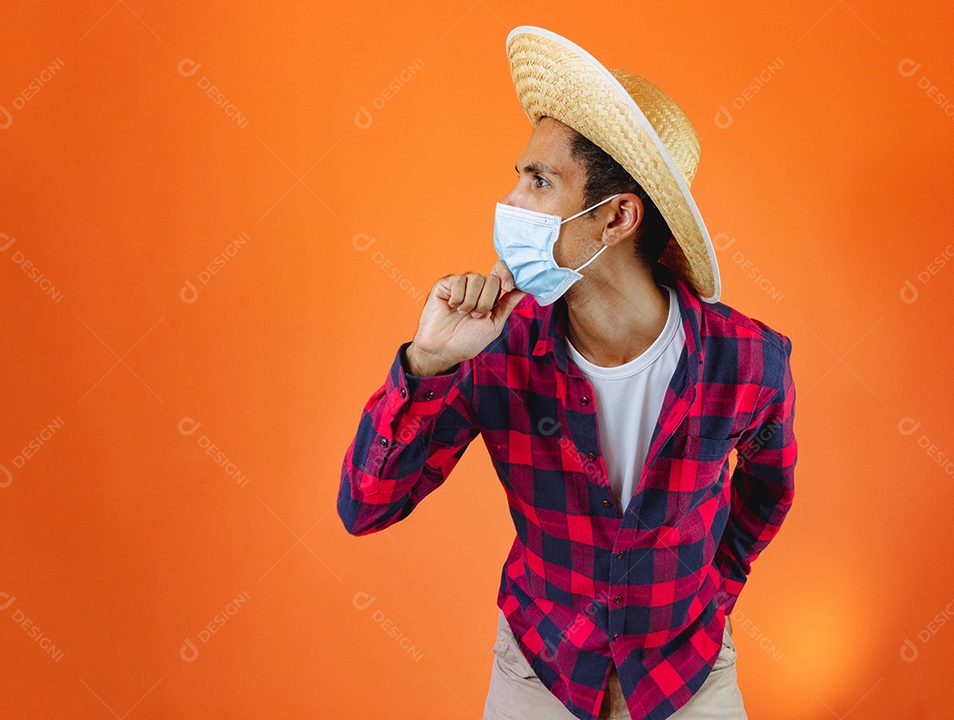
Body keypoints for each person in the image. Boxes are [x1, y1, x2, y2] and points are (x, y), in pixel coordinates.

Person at [338, 25, 797, 720]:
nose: (510, 201)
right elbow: (364, 506)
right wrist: (427, 363)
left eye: (539, 179)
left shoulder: (749, 361)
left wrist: (717, 589)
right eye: (519, 175)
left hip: (690, 675)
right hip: (538, 670)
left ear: (615, 217)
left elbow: (769, 491)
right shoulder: (491, 348)